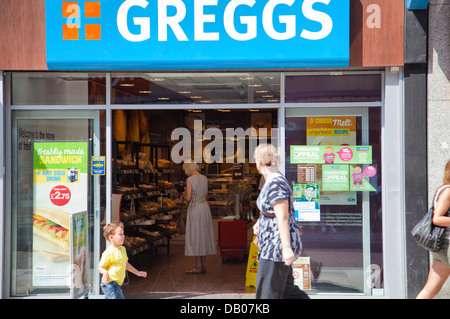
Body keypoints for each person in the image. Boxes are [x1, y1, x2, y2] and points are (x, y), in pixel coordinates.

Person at [252, 144, 306, 299]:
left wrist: (286, 248)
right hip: (272, 243)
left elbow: (282, 216)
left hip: (275, 246)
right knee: (286, 291)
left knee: (268, 292)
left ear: (260, 162)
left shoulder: (275, 183)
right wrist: (259, 223)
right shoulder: (272, 180)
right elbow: (271, 212)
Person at [416, 160, 450, 299]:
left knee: (431, 290)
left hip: (443, 247)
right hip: (447, 244)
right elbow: (437, 219)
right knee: (430, 289)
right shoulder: (448, 191)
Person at [182, 162, 217, 274]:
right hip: (204, 207)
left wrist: (183, 195)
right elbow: (206, 195)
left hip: (195, 209)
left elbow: (188, 197)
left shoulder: (190, 180)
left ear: (188, 169)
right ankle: (202, 265)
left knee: (196, 235)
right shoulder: (204, 178)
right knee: (203, 235)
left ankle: (197, 266)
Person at [98, 222, 147, 299]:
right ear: (111, 237)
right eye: (120, 234)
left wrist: (138, 273)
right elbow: (100, 267)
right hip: (110, 284)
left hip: (116, 284)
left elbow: (126, 264)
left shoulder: (123, 249)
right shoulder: (108, 252)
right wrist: (105, 273)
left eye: (123, 234)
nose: (123, 236)